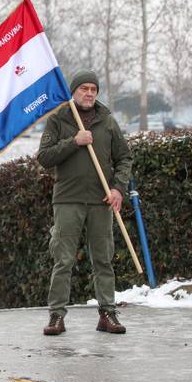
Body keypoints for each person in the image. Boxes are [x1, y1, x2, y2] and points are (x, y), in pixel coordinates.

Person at [37, 70, 132, 336]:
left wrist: (117, 188)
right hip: (68, 199)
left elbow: (124, 158)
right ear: (73, 91)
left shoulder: (107, 120)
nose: (89, 93)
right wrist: (74, 141)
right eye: (84, 88)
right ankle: (57, 316)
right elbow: (44, 157)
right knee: (63, 260)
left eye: (93, 89)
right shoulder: (58, 119)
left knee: (103, 259)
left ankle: (107, 314)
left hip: (101, 200)